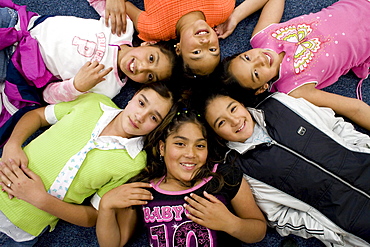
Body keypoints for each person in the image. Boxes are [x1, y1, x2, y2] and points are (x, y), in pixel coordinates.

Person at [0, 81, 174, 246]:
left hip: (20, 230)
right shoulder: (94, 102)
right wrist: (13, 144)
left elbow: (93, 215)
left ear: (158, 127)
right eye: (142, 103)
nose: (140, 116)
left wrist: (41, 200)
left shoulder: (134, 163)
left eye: (153, 117)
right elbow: (38, 115)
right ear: (134, 96)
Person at [201, 89, 370, 246]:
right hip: (353, 225)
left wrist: (364, 148)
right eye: (221, 122)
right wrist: (332, 231)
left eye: (233, 109)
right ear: (217, 135)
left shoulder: (279, 104)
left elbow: (335, 126)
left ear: (242, 104)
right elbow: (279, 216)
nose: (234, 120)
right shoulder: (239, 169)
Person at [0, 0, 177, 146]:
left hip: (18, 63)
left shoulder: (108, 89)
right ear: (147, 44)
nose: (142, 67)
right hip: (19, 24)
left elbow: (47, 95)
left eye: (149, 76)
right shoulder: (123, 27)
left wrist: (76, 86)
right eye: (151, 58)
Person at [96, 107, 266, 247]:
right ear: (162, 148)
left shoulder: (224, 176)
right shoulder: (143, 190)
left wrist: (231, 223)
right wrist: (106, 206)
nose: (190, 154)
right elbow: (114, 244)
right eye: (180, 144)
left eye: (200, 145)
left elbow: (258, 232)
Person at [220, 0, 370, 131]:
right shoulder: (295, 89)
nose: (259, 60)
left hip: (356, 3)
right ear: (262, 88)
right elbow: (354, 108)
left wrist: (235, 17)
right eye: (256, 73)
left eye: (247, 57)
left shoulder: (261, 37)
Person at [88, 0, 236, 77]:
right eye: (212, 49)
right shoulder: (223, 8)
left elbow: (120, 7)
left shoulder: (153, 28)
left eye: (196, 52)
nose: (205, 42)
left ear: (178, 48)